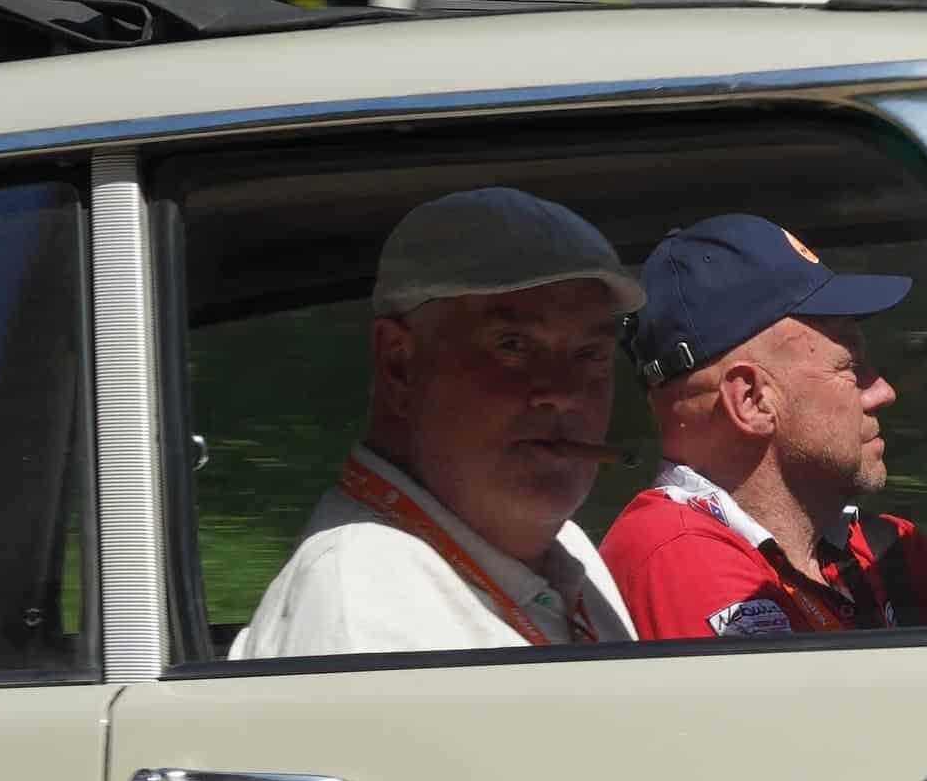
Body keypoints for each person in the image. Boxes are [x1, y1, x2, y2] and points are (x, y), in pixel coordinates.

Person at [234, 187, 643, 659]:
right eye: (513, 345)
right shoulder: (362, 605)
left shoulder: (566, 549)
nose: (563, 393)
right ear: (398, 364)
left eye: (590, 354)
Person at [600, 213, 927, 640]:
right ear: (752, 400)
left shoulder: (864, 545)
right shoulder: (680, 561)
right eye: (850, 366)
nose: (883, 391)